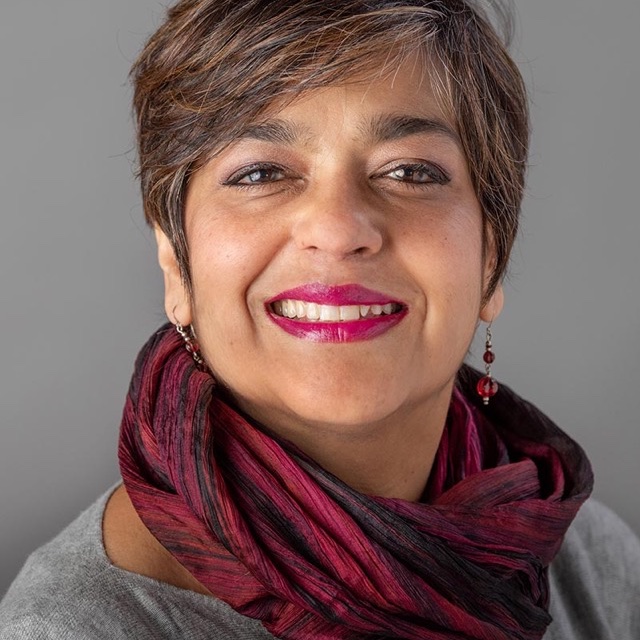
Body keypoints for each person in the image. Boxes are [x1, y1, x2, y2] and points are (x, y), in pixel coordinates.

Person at [1, 0, 639, 638]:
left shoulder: (592, 563)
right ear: (176, 259)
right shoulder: (70, 625)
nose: (337, 230)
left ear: (491, 261)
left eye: (410, 171)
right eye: (261, 172)